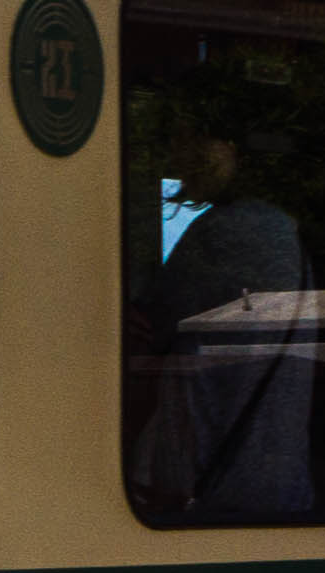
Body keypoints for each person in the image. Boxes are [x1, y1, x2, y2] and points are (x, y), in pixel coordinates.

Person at [134, 116, 315, 516]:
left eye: (192, 144)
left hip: (215, 482)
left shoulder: (219, 234)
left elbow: (152, 327)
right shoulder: (288, 235)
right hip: (279, 476)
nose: (180, 161)